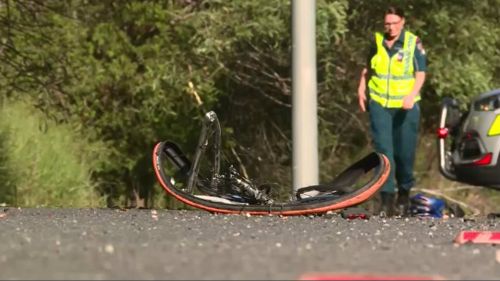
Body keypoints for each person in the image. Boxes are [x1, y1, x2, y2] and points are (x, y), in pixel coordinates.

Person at [357, 6, 427, 216]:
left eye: (395, 23)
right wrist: (361, 88)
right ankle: (386, 200)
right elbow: (367, 68)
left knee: (404, 154)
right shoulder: (377, 41)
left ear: (403, 22)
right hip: (380, 104)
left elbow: (420, 73)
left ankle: (404, 193)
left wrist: (411, 95)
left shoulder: (412, 43)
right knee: (384, 152)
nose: (391, 27)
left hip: (405, 107)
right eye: (387, 23)